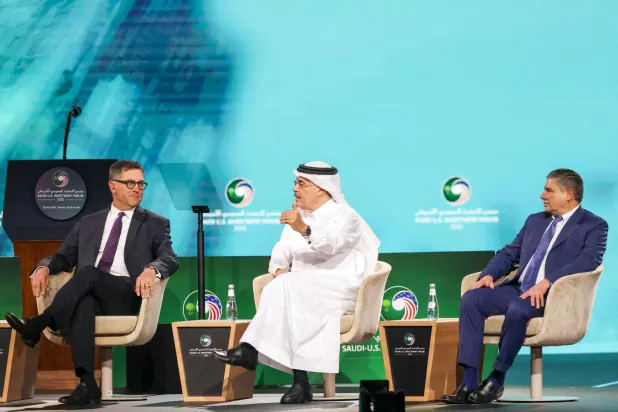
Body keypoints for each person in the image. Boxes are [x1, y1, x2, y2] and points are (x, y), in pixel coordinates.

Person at [5, 160, 179, 405]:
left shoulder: (155, 223)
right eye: (130, 183)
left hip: (126, 294)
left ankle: (40, 323)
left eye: (141, 184)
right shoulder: (89, 222)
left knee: (87, 273)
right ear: (113, 186)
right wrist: (43, 267)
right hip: (91, 293)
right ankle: (87, 384)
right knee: (84, 303)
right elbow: (64, 257)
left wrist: (152, 269)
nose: (137, 189)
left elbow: (169, 257)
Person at [210, 161, 380, 404]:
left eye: (301, 184)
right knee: (287, 288)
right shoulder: (299, 217)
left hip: (339, 290)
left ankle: (252, 352)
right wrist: (281, 273)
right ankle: (298, 382)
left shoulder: (346, 217)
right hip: (300, 288)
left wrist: (304, 229)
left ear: (321, 188)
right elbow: (279, 256)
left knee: (289, 288)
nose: (295, 189)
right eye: (295, 183)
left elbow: (332, 246)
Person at [442, 168, 608, 404]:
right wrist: (488, 274)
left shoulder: (594, 225)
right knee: (472, 299)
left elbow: (588, 260)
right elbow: (510, 253)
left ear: (569, 194)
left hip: (551, 297)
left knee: (517, 310)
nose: (542, 195)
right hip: (518, 289)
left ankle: (496, 379)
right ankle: (469, 380)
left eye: (549, 190)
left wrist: (547, 282)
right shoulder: (535, 221)